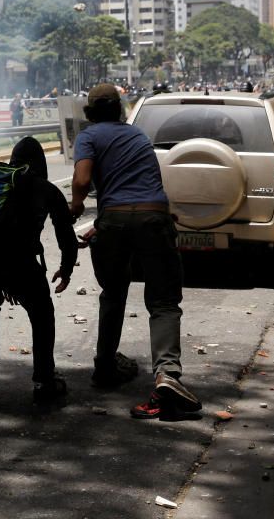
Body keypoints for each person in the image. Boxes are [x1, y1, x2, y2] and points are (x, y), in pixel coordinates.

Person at [69, 83, 201, 420]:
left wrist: (77, 204)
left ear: (90, 113)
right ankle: (168, 375)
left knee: (113, 293)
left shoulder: (89, 136)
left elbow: (83, 180)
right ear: (120, 109)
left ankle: (104, 366)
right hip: (153, 217)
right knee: (163, 301)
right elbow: (144, 186)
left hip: (114, 221)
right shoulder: (137, 135)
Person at [0, 136, 78, 404]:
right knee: (42, 313)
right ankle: (43, 380)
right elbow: (65, 232)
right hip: (20, 262)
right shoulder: (44, 188)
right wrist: (66, 268)